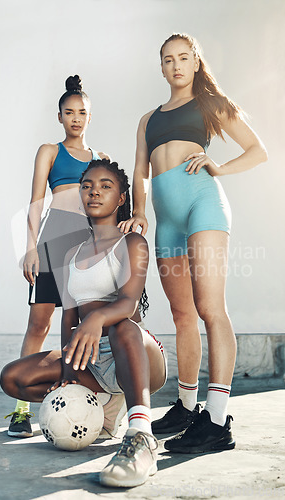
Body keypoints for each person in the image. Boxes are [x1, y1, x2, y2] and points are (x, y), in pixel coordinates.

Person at [118, 33, 268, 453]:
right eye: (168, 59)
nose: (176, 65)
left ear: (196, 62)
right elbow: (140, 170)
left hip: (204, 206)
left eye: (184, 58)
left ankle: (217, 422)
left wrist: (219, 168)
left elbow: (259, 150)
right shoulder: (148, 119)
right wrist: (140, 211)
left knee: (209, 309)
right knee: (182, 314)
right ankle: (187, 409)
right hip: (166, 221)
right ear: (161, 67)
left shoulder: (210, 104)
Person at [1, 159, 167, 488]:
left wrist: (97, 319)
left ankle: (141, 436)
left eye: (106, 186)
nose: (94, 192)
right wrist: (67, 373)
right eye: (88, 186)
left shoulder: (132, 243)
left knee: (123, 327)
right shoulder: (70, 254)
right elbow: (68, 316)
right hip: (90, 360)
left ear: (122, 198)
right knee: (13, 378)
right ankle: (101, 405)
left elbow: (129, 301)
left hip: (135, 351)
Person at [5, 75, 111, 438]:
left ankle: (77, 400)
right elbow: (36, 200)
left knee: (79, 327)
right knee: (39, 323)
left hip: (88, 246)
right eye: (69, 113)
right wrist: (30, 247)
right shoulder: (50, 150)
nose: (76, 119)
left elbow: (111, 208)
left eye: (82, 113)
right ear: (60, 116)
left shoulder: (102, 159)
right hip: (54, 239)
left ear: (90, 117)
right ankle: (20, 411)